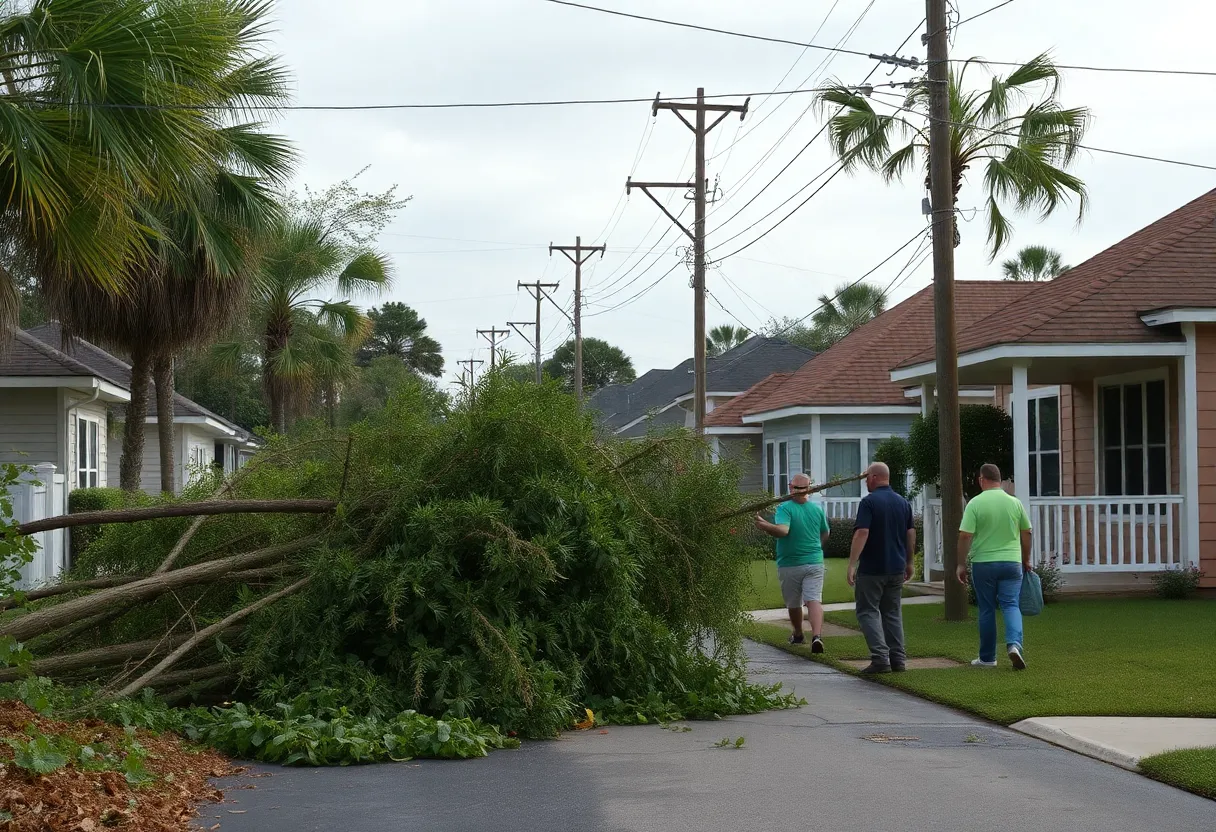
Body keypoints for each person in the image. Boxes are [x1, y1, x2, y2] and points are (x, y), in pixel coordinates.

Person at [956, 463, 1032, 670]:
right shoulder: (1015, 503)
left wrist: (961, 564)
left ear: (982, 479)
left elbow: (965, 535)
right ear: (1000, 480)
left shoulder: (975, 503)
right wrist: (1026, 559)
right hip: (1012, 562)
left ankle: (988, 658)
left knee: (987, 609)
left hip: (984, 563)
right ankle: (1014, 645)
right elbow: (1027, 532)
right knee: (1011, 605)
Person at [846, 462, 915, 674]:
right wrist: (909, 562)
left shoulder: (868, 503)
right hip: (896, 567)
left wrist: (852, 564)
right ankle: (898, 659)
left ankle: (880, 658)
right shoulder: (903, 502)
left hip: (872, 568)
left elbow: (862, 532)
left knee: (867, 611)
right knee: (892, 612)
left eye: (867, 476)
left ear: (875, 477)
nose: (865, 481)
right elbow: (910, 533)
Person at [754, 472, 831, 651]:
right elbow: (825, 532)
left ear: (790, 488)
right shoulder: (817, 509)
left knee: (794, 603)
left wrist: (763, 524)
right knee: (814, 600)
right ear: (809, 489)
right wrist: (817, 548)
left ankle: (798, 634)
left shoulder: (785, 508)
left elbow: (783, 531)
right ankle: (817, 636)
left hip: (790, 564)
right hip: (815, 562)